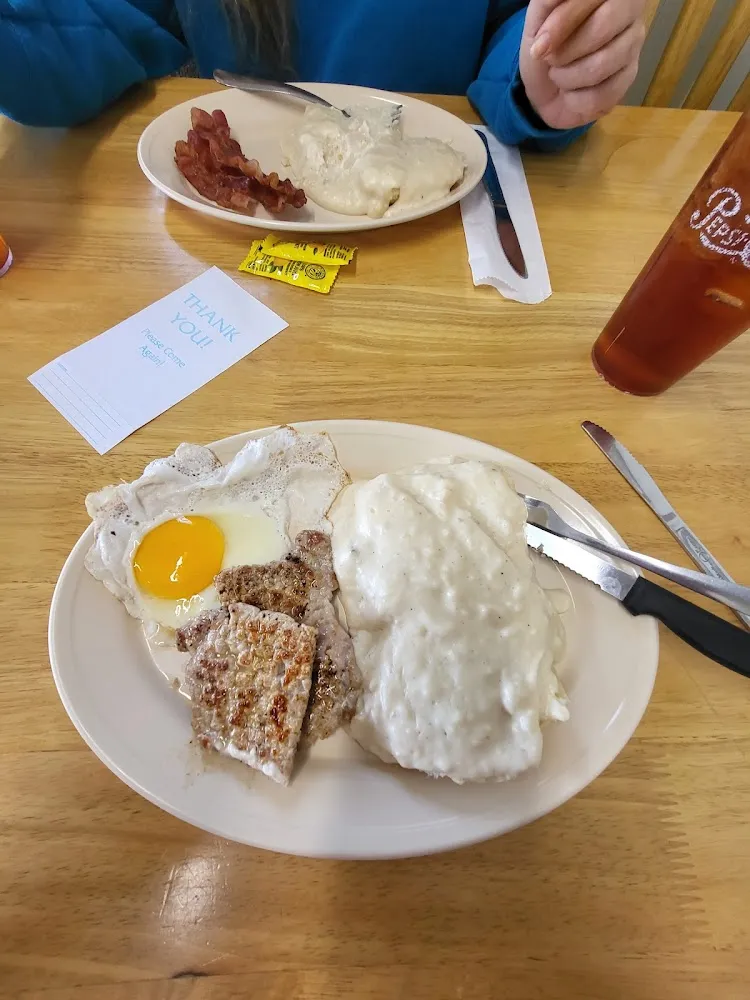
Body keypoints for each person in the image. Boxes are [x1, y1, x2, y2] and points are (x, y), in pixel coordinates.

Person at [0, 0, 645, 149]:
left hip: (442, 240)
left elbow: (518, 34)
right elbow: (89, 27)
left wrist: (551, 70)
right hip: (215, 261)